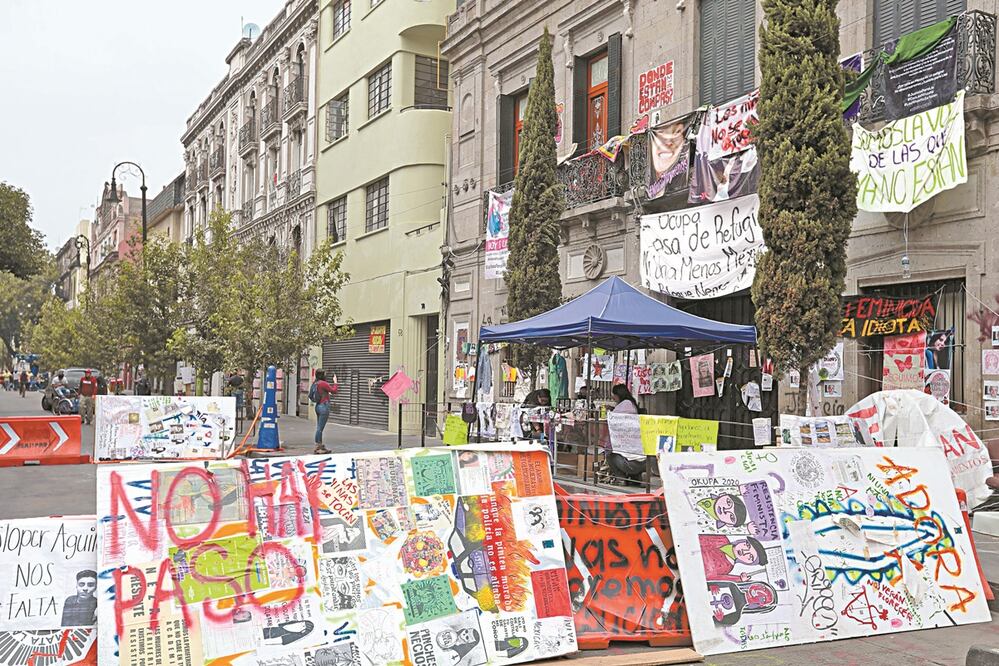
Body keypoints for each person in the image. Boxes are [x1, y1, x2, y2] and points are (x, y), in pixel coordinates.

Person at [606, 384, 645, 484]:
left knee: (609, 453)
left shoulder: (625, 405)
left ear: (618, 395)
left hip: (628, 464)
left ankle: (621, 478)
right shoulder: (632, 404)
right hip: (644, 462)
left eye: (613, 395)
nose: (613, 397)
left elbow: (616, 418)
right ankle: (636, 478)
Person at [698, 534, 768, 582]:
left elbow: (711, 577)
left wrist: (739, 579)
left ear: (749, 563)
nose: (744, 552)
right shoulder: (722, 539)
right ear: (742, 541)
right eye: (747, 546)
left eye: (750, 556)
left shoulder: (727, 568)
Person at [310, 370, 339, 454]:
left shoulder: (315, 383)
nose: (326, 375)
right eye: (325, 374)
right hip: (324, 406)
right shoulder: (323, 383)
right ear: (322, 375)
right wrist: (335, 382)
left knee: (319, 427)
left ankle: (320, 445)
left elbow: (313, 395)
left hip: (318, 406)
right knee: (320, 428)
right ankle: (318, 446)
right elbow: (334, 390)